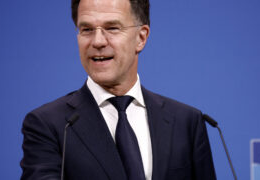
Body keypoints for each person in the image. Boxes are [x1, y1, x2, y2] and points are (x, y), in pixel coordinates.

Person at [20, 0, 216, 179]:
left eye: (112, 28)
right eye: (86, 29)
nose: (97, 42)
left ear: (141, 37)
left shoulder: (186, 121)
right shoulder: (49, 125)